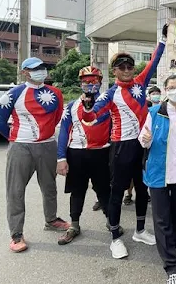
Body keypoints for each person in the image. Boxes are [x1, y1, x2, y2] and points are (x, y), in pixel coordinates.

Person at [80, 24, 168, 259]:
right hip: (120, 147)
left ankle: (140, 230)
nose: (127, 69)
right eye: (122, 67)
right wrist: (87, 106)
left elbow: (154, 62)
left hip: (143, 145)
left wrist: (163, 40)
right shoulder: (109, 94)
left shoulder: (140, 82)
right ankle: (115, 238)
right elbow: (91, 116)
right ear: (115, 71)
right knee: (117, 191)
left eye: (130, 66)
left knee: (142, 189)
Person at [0, 57, 70, 252]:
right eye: (35, 69)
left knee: (49, 186)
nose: (41, 71)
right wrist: (16, 138)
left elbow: (56, 118)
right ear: (24, 72)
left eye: (43, 67)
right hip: (21, 147)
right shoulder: (14, 94)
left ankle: (51, 219)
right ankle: (16, 234)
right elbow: (0, 122)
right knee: (16, 191)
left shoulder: (55, 93)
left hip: (47, 146)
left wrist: (44, 136)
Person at [56, 66, 122, 245]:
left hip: (102, 152)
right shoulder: (71, 106)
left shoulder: (109, 103)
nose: (89, 84)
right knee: (77, 191)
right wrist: (61, 158)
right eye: (85, 81)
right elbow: (64, 131)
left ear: (100, 82)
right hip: (76, 153)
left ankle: (111, 222)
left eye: (93, 81)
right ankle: (74, 225)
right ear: (80, 84)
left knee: (104, 190)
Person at [139, 75, 176, 284]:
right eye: (171, 87)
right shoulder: (154, 113)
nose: (175, 90)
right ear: (165, 90)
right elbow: (143, 140)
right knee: (161, 220)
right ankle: (171, 266)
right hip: (158, 173)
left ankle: (171, 248)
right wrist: (145, 140)